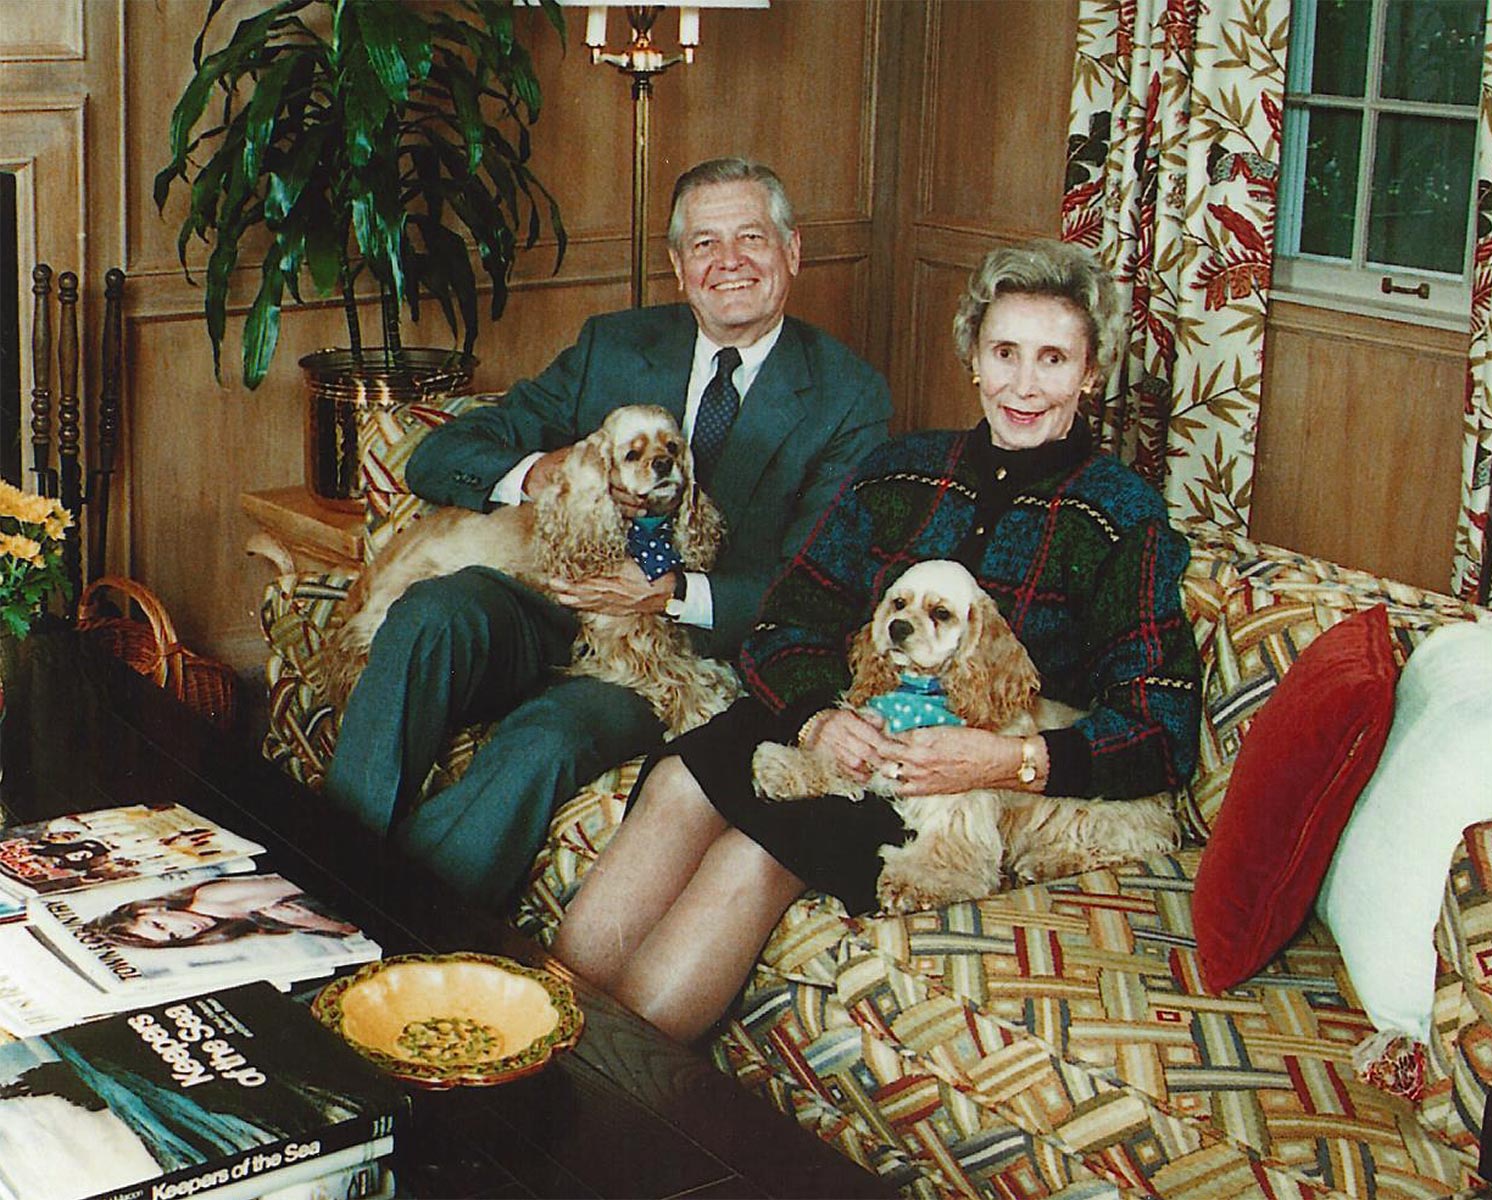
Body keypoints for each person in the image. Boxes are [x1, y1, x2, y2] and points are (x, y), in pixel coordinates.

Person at [552, 238, 1203, 1042]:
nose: (1024, 386)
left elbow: (1160, 729)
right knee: (679, 786)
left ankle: (610, 1093)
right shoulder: (900, 470)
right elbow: (789, 622)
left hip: (941, 783)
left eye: (1053, 360)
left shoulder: (1122, 512)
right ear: (973, 357)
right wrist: (820, 717)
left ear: (1091, 373)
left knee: (754, 852)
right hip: (834, 722)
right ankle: (541, 1041)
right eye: (1004, 352)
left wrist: (1004, 759)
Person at [323, 157, 892, 909]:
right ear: (677, 267)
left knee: (548, 738)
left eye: (751, 238)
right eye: (703, 244)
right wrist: (544, 474)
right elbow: (442, 456)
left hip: (662, 655)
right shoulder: (614, 346)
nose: (729, 263)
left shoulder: (848, 396)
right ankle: (323, 874)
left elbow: (813, 589)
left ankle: (397, 920)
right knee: (429, 615)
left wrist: (669, 594)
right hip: (545, 603)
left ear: (792, 252)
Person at [86, 875, 360, 948]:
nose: (182, 931)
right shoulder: (229, 924)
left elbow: (321, 879)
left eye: (160, 925)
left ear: (151, 909)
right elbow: (349, 929)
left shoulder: (213, 898)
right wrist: (314, 922)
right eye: (172, 937)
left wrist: (315, 921)